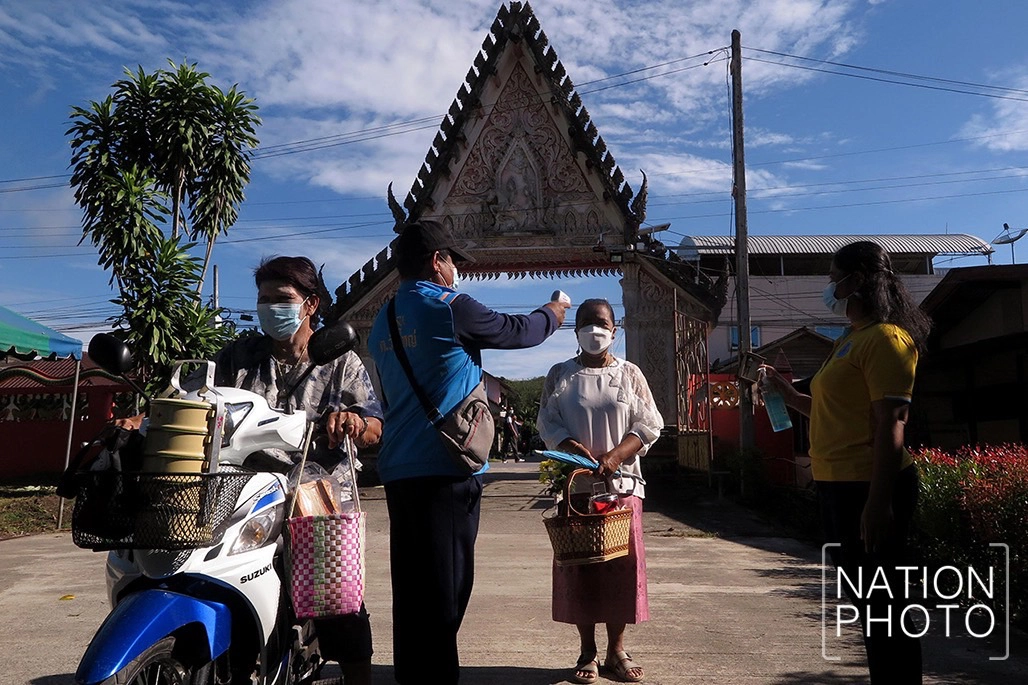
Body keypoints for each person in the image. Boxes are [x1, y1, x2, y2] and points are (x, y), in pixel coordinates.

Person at [115, 255, 383, 685]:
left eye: (282, 299)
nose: (270, 308)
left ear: (310, 304)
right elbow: (197, 401)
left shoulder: (340, 361)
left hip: (313, 493)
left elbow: (373, 425)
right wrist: (145, 420)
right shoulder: (239, 355)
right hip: (239, 489)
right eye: (263, 299)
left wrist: (352, 422)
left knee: (336, 599)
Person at [368, 220, 568, 685]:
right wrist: (554, 312)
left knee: (412, 588)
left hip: (398, 469)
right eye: (453, 260)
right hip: (446, 467)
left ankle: (412, 676)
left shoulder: (383, 315)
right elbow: (517, 331)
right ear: (438, 261)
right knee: (447, 588)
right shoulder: (448, 306)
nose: (457, 269)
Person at [762, 241, 930, 684]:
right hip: (839, 485)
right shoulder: (849, 341)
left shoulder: (887, 339)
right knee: (870, 608)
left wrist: (879, 504)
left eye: (834, 276)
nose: (829, 286)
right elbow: (827, 410)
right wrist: (785, 392)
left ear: (857, 281)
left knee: (886, 606)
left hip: (870, 487)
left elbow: (892, 423)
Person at [536, 298, 664, 684]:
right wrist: (571, 448)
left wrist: (615, 456)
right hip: (577, 490)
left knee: (621, 572)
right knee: (583, 570)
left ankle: (617, 650)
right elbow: (547, 421)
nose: (595, 330)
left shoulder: (630, 374)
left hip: (622, 487)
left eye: (602, 322)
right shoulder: (560, 375)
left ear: (615, 329)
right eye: (586, 323)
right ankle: (588, 651)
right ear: (575, 330)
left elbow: (649, 424)